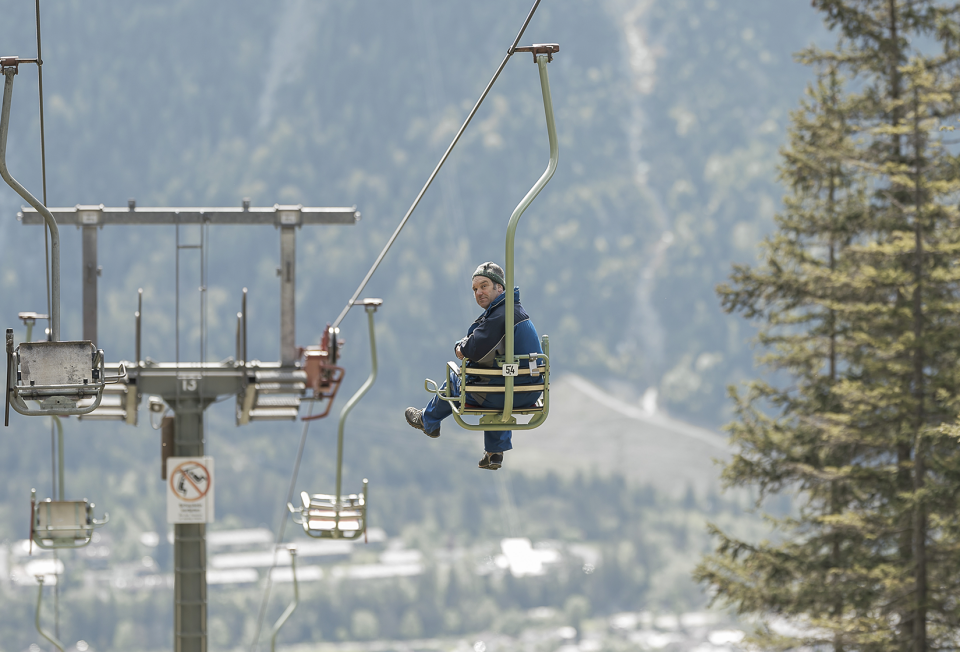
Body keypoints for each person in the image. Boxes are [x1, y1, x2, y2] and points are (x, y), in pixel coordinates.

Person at [405, 262, 543, 470]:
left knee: (457, 378)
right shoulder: (515, 312)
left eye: (484, 286)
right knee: (498, 379)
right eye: (475, 289)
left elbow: (473, 350)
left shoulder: (500, 316)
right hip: (528, 391)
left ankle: (428, 420)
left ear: (500, 288)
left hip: (508, 392)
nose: (478, 292)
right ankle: (495, 452)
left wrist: (461, 346)